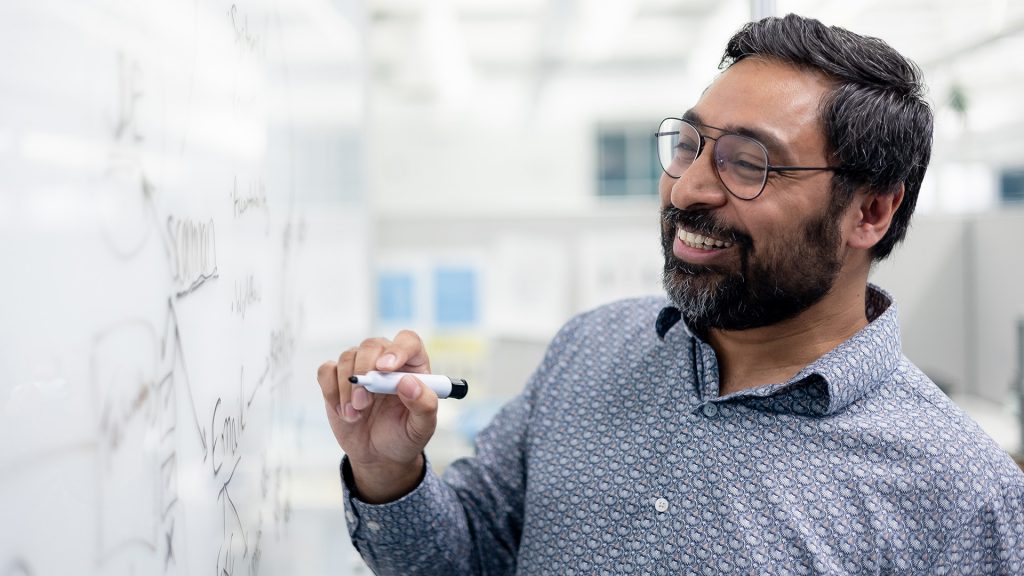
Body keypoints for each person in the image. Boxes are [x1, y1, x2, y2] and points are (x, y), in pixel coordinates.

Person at [317, 14, 1024, 575]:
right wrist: (388, 471)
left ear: (870, 212)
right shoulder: (588, 350)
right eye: (688, 144)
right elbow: (464, 557)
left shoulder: (961, 493)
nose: (688, 188)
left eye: (748, 163)